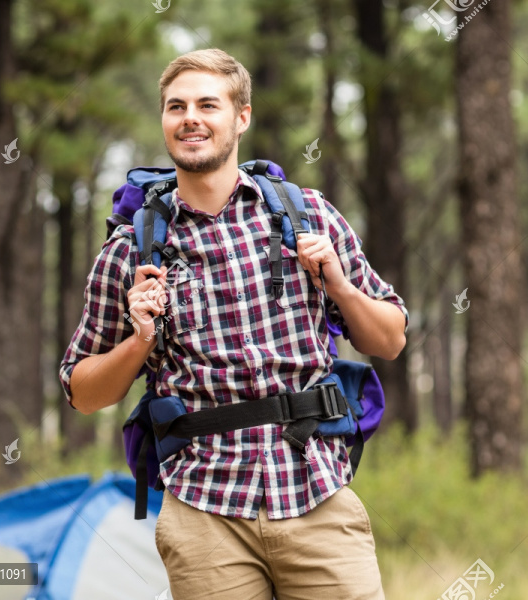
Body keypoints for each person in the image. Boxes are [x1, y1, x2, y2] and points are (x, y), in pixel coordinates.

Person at [59, 48, 407, 600]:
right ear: (164, 121)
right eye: (176, 107)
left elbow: (389, 338)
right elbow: (80, 391)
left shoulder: (307, 214)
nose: (190, 118)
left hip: (315, 492)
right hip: (203, 512)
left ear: (240, 117)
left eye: (207, 104)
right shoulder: (130, 251)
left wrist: (338, 284)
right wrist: (139, 341)